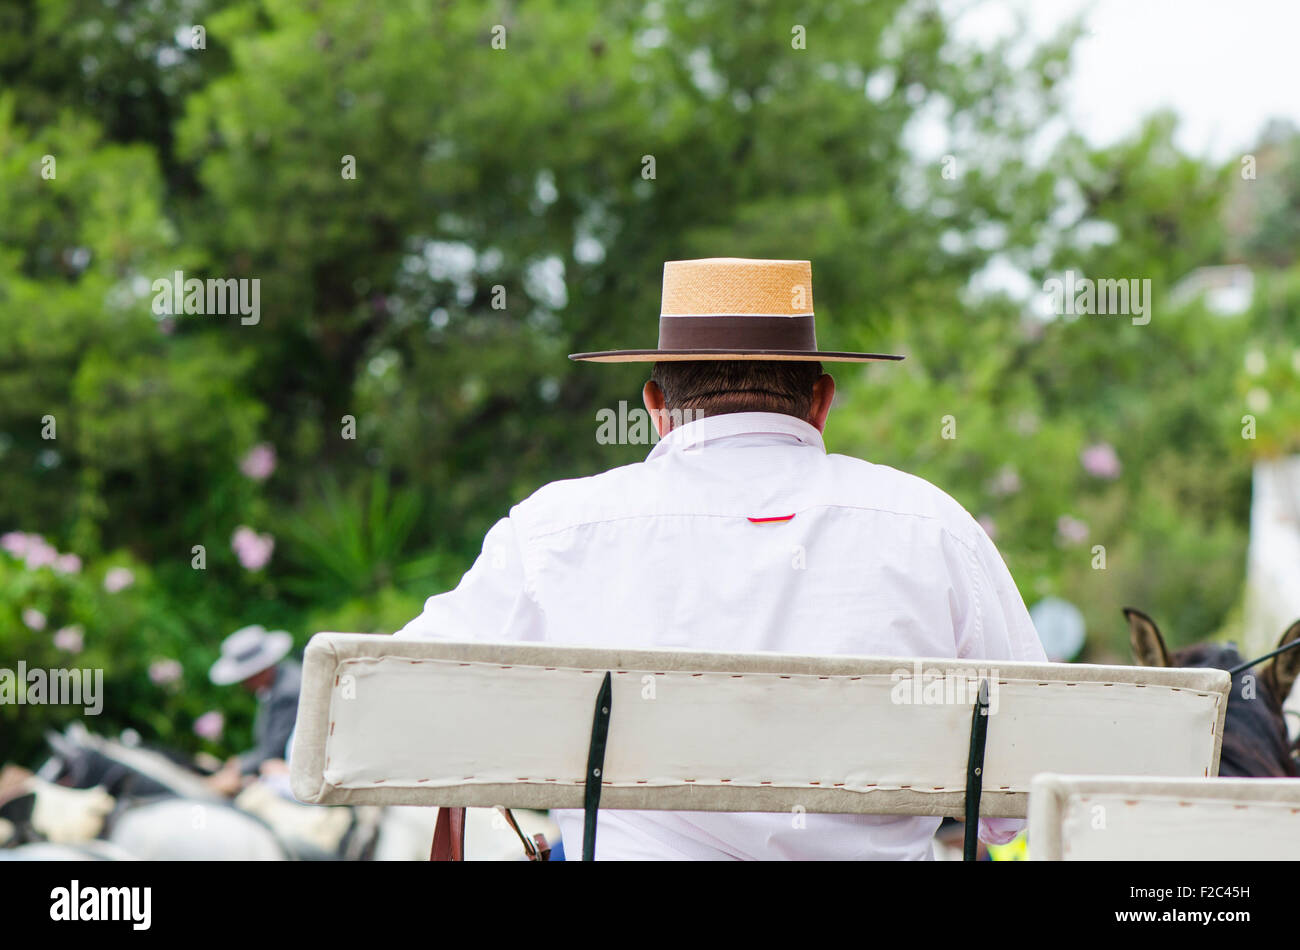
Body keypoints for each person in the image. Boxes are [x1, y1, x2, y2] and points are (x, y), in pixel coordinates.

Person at [396, 257, 1047, 859]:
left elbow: (393, 710)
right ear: (822, 401)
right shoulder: (935, 529)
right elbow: (1024, 789)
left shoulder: (552, 533)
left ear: (655, 408)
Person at [205, 624, 302, 796]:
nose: (243, 684)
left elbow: (275, 751)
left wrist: (239, 766)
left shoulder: (287, 693)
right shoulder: (281, 682)